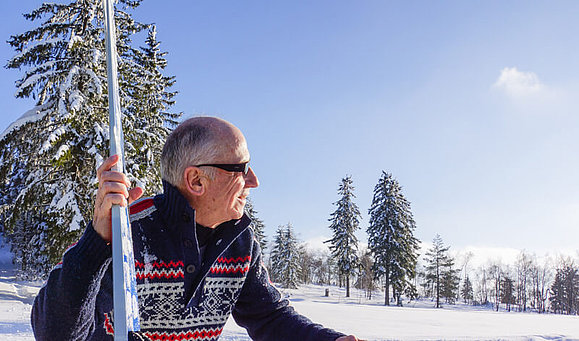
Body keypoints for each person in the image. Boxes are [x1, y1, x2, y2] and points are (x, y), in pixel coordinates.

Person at [32, 117, 363, 341]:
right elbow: (54, 333)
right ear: (196, 180)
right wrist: (97, 242)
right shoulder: (127, 234)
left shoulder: (240, 241)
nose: (254, 180)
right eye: (241, 168)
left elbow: (270, 317)